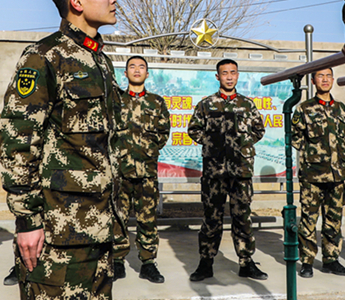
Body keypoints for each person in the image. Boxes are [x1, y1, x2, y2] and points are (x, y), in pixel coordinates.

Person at [0, 0, 122, 300]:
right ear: (76, 2)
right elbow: (16, 141)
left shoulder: (100, 61)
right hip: (57, 234)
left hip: (98, 229)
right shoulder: (44, 57)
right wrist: (27, 220)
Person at [187, 59, 268, 282]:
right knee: (211, 218)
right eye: (225, 73)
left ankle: (246, 262)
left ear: (238, 75)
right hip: (214, 171)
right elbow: (193, 129)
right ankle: (205, 263)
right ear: (218, 77)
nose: (229, 77)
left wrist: (242, 143)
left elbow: (259, 130)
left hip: (240, 170)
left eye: (233, 72)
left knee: (242, 217)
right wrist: (212, 143)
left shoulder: (247, 105)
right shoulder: (206, 104)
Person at [111, 55, 170, 284]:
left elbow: (163, 133)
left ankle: (148, 263)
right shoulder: (116, 102)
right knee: (118, 217)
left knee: (147, 219)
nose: (137, 70)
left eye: (141, 67)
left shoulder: (156, 102)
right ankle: (117, 261)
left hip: (146, 172)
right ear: (125, 74)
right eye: (132, 67)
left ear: (147, 73)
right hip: (120, 171)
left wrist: (148, 150)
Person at [290, 68, 345, 278]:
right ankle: (307, 261)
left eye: (328, 76)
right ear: (313, 80)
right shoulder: (304, 108)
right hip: (312, 176)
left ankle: (331, 260)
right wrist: (313, 154)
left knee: (333, 220)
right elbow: (295, 136)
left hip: (336, 176)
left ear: (333, 80)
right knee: (309, 219)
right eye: (320, 76)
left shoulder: (340, 108)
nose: (325, 80)